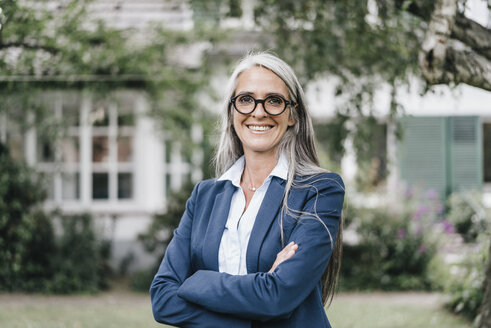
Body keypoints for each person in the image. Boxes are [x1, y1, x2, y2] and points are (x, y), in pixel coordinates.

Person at [150, 52, 345, 328]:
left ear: (292, 115)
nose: (259, 111)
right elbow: (162, 298)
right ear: (232, 113)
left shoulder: (319, 191)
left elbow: (278, 297)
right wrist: (261, 290)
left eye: (274, 101)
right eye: (245, 100)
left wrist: (196, 281)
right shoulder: (203, 197)